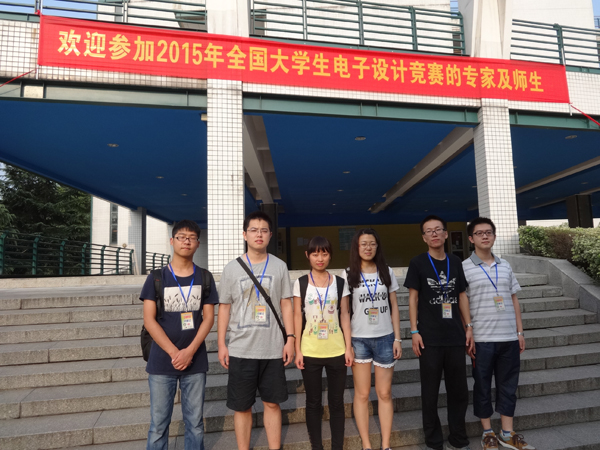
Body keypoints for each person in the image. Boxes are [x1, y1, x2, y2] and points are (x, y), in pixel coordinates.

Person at [217, 211, 295, 450]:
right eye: (253, 230)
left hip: (272, 348)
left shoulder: (279, 266)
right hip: (241, 349)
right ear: (245, 234)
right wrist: (221, 344)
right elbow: (224, 307)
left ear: (270, 235)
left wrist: (290, 339)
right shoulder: (231, 269)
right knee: (242, 406)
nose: (258, 234)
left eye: (263, 230)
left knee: (272, 403)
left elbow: (286, 304)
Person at [141, 220, 218, 450]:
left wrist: (189, 352)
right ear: (172, 241)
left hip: (195, 362)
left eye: (192, 237)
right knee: (158, 425)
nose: (186, 241)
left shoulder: (204, 277)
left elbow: (209, 318)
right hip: (162, 361)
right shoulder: (157, 277)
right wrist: (175, 353)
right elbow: (149, 320)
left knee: (195, 424)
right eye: (181, 237)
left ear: (198, 243)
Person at [463, 217, 534, 450]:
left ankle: (506, 432)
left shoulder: (505, 265)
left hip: (508, 338)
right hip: (482, 339)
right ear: (471, 238)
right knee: (482, 386)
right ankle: (487, 433)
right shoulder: (464, 267)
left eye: (489, 232)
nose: (485, 236)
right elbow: (462, 302)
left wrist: (520, 331)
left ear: (494, 236)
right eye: (479, 233)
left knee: (508, 386)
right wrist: (468, 330)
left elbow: (514, 299)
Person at [404, 215, 474, 450]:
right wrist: (414, 331)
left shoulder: (455, 261)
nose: (434, 234)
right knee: (430, 393)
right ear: (424, 238)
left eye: (438, 229)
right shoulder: (417, 263)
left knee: (459, 391)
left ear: (445, 234)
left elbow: (462, 295)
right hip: (429, 338)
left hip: (455, 336)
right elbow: (413, 299)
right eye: (429, 231)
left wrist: (468, 327)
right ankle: (433, 439)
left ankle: (458, 436)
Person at [342, 228, 402, 450]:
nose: (368, 248)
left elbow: (394, 306)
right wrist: (347, 345)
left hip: (385, 337)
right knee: (362, 394)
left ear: (377, 246)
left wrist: (398, 338)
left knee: (384, 393)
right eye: (363, 244)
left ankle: (385, 445)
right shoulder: (348, 274)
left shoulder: (387, 271)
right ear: (356, 247)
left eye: (372, 243)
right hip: (359, 340)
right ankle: (366, 445)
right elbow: (345, 313)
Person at [293, 236, 353, 450]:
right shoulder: (300, 283)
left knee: (337, 403)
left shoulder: (340, 283)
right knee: (313, 402)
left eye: (324, 254)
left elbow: (345, 315)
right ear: (307, 255)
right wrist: (297, 350)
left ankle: (337, 447)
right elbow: (297, 317)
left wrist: (348, 347)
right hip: (310, 351)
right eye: (315, 254)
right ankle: (316, 446)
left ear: (330, 256)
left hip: (337, 350)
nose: (320, 258)